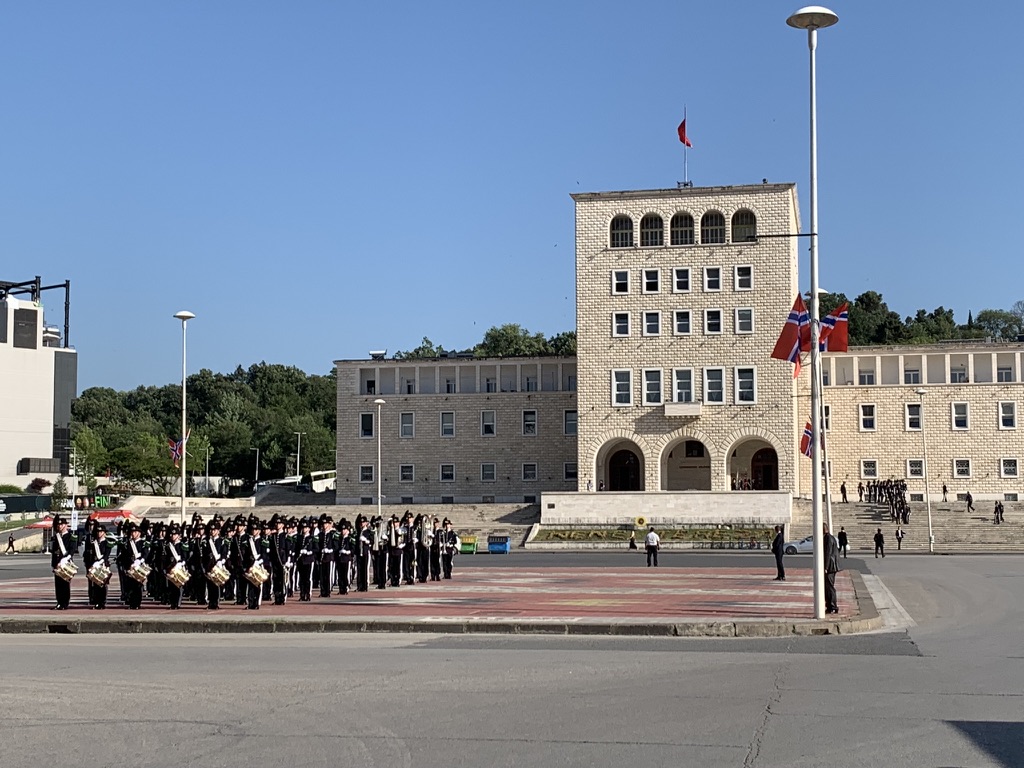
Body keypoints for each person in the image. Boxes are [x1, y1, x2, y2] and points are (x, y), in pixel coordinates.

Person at [50, 517, 77, 610]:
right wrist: (54, 563)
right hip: (57, 564)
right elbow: (54, 551)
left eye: (61, 525)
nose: (60, 526)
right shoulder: (56, 537)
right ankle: (59, 602)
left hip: (65, 563)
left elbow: (72, 550)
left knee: (65, 584)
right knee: (58, 585)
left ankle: (65, 603)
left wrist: (64, 560)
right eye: (58, 525)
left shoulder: (71, 537)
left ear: (66, 525)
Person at [823, 523, 840, 614]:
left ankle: (833, 606)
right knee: (827, 587)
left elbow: (828, 553)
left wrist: (825, 567)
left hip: (830, 566)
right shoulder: (831, 537)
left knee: (830, 587)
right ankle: (829, 606)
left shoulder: (828, 538)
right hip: (831, 565)